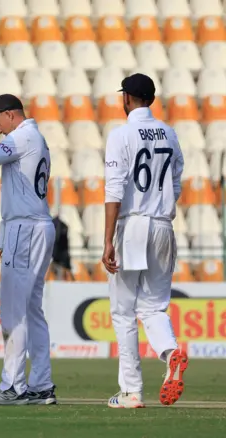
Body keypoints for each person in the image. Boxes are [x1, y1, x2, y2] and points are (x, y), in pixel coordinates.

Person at [102, 73, 187, 408]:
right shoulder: (169, 132)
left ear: (127, 98)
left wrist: (108, 240)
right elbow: (177, 179)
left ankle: (131, 391)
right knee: (153, 306)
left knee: (123, 311)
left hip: (133, 225)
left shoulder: (121, 134)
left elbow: (114, 189)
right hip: (163, 224)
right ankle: (170, 353)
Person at [0, 94, 57, 406]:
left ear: (10, 115)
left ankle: (13, 385)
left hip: (25, 226)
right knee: (32, 309)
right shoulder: (37, 137)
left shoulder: (22, 137)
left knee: (13, 310)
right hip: (37, 224)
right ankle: (41, 384)